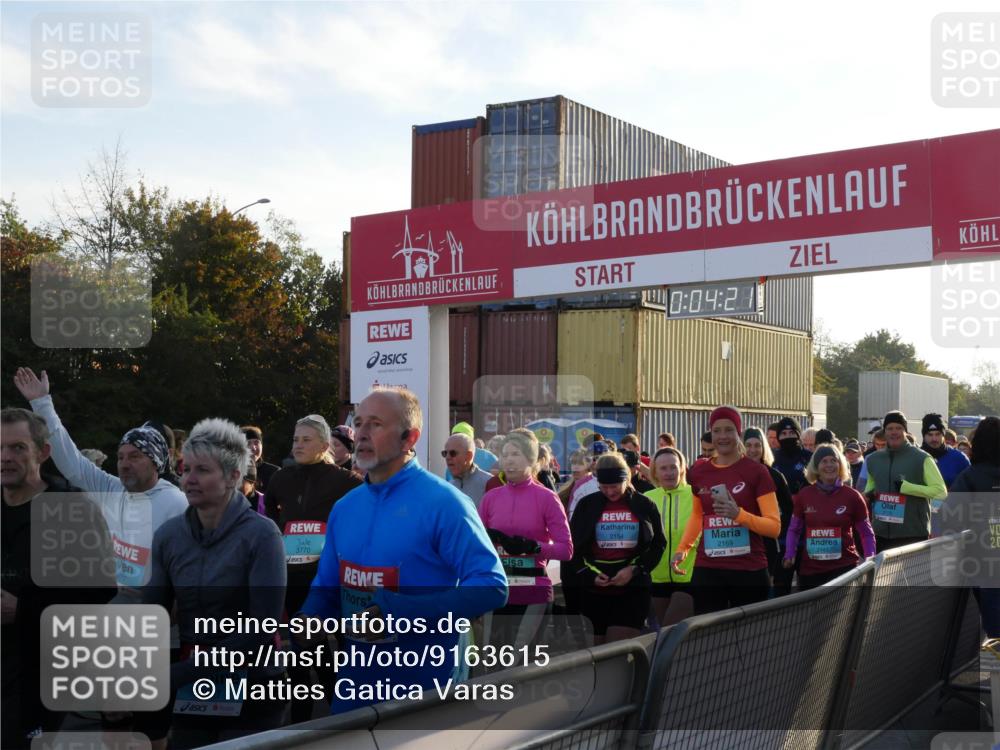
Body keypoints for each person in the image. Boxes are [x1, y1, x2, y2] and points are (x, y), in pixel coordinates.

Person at [296, 389, 507, 714]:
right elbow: (326, 586)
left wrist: (396, 615)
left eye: (376, 424)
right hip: (355, 684)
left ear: (410, 437)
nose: (361, 433)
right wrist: (309, 619)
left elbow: (491, 587)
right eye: (360, 422)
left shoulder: (445, 504)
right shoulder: (345, 508)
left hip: (425, 687)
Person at [135, 418, 287, 750]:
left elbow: (262, 628)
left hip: (256, 683)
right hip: (195, 688)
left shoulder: (262, 535)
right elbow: (152, 614)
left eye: (202, 470)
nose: (188, 479)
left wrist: (181, 673)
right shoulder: (169, 536)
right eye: (185, 468)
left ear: (234, 475)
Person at [14, 367, 187, 595]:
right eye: (121, 457)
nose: (124, 464)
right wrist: (41, 403)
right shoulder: (112, 489)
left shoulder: (177, 504)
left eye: (135, 456)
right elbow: (71, 461)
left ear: (156, 462)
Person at [2, 408, 115, 747]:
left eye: (18, 447)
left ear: (43, 452)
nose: (6, 457)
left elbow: (100, 592)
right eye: (1, 448)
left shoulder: (73, 509)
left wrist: (25, 608)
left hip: (40, 671)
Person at [263, 413, 362, 723]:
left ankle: (341, 711)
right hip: (291, 578)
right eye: (295, 439)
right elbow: (272, 518)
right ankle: (304, 717)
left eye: (306, 439)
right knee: (300, 650)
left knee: (323, 649)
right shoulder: (280, 478)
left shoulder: (346, 481)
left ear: (324, 444)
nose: (299, 445)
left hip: (327, 579)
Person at [672, 406, 780, 614]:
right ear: (711, 433)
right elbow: (698, 515)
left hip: (749, 570)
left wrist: (738, 514)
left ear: (738, 433)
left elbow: (774, 527)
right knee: (711, 638)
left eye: (729, 430)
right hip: (709, 568)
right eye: (717, 430)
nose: (722, 436)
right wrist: (683, 549)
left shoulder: (757, 472)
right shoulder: (698, 471)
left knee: (749, 640)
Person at [479, 430, 572, 648]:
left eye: (516, 454)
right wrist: (488, 538)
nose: (509, 460)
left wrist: (532, 546)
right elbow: (476, 545)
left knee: (518, 665)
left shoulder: (547, 498)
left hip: (533, 589)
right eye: (505, 454)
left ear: (531, 459)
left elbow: (566, 549)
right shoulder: (491, 498)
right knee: (490, 664)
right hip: (499, 589)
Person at [570, 453, 666, 644]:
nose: (610, 492)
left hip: (632, 588)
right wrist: (589, 576)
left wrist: (636, 569)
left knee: (617, 649)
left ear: (627, 479)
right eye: (603, 487)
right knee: (596, 652)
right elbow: (573, 548)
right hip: (595, 590)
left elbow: (658, 544)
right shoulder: (587, 504)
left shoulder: (644, 504)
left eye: (615, 486)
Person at [784, 444, 875, 590]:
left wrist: (871, 558)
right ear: (816, 467)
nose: (829, 465)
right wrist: (789, 553)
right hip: (811, 571)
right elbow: (794, 529)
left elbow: (866, 532)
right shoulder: (804, 495)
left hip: (845, 569)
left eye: (834, 460)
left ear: (840, 465)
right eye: (824, 461)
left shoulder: (853, 496)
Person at [943, 416, 999, 637]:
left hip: (983, 558)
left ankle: (994, 668)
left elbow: (950, 516)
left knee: (994, 624)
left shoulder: (970, 476)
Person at [864, 411, 948, 552]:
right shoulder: (873, 459)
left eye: (899, 428)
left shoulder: (922, 458)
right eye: (890, 428)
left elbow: (941, 492)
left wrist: (908, 488)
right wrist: (867, 494)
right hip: (880, 533)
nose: (894, 432)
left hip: (912, 534)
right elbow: (870, 487)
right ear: (884, 432)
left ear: (905, 431)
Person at [643, 447, 696, 625]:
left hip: (689, 576)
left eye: (673, 467)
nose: (668, 473)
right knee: (665, 632)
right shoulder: (647, 498)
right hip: (657, 577)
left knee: (671, 629)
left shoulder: (695, 495)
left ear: (682, 468)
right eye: (663, 468)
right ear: (655, 472)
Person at [743, 427, 794, 595]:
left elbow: (789, 510)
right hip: (739, 542)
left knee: (764, 592)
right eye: (748, 445)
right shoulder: (733, 474)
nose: (753, 450)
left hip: (768, 543)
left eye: (757, 445)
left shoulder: (775, 476)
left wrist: (776, 528)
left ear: (763, 447)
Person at [770, 417, 812, 596]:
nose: (787, 437)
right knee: (781, 585)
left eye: (792, 433)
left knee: (808, 587)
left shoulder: (809, 458)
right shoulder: (772, 459)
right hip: (781, 530)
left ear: (798, 434)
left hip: (807, 528)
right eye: (783, 434)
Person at [921, 413, 971, 535]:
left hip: (951, 523)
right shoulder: (916, 457)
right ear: (923, 435)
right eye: (930, 434)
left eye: (938, 434)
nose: (934, 439)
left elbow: (971, 491)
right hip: (922, 522)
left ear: (943, 434)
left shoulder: (959, 458)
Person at [445, 432, 492, 508]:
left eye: (452, 453)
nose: (447, 457)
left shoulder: (489, 484)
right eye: (445, 453)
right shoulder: (448, 487)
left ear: (469, 456)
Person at [242, 425, 280, 494]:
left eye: (256, 443)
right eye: (248, 443)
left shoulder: (275, 473)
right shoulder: (232, 472)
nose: (253, 448)